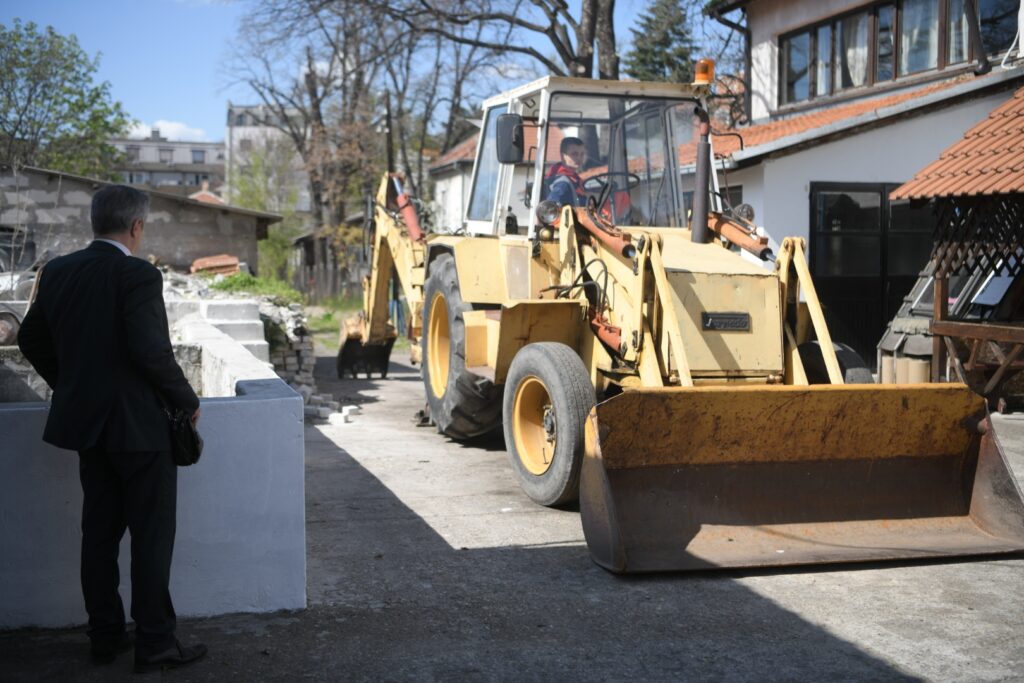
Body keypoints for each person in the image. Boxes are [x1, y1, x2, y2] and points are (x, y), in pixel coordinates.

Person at [17, 185, 207, 673]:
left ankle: (105, 637)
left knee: (98, 536)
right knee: (151, 539)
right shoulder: (137, 274)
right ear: (137, 227)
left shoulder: (57, 271)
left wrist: (71, 384)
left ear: (95, 223)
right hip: (140, 431)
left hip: (87, 429)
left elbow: (31, 337)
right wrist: (187, 401)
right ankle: (156, 644)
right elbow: (150, 351)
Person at [544, 136, 588, 207]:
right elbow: (550, 207)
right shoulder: (562, 182)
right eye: (574, 154)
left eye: (582, 154)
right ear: (563, 156)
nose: (579, 158)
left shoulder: (574, 179)